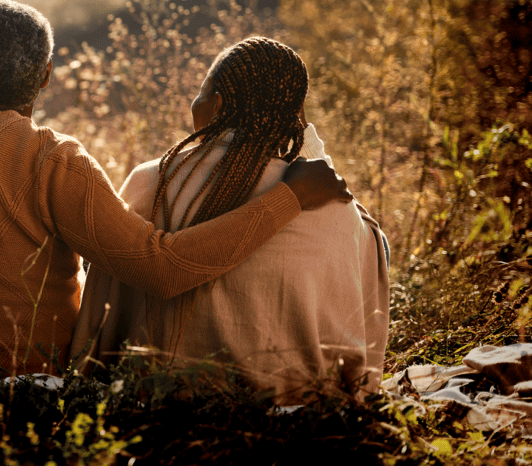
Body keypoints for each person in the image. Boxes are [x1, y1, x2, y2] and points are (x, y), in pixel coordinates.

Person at [0, 1, 351, 377]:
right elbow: (163, 269)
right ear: (45, 77)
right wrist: (291, 198)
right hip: (23, 373)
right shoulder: (53, 157)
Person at [68, 36, 389, 402]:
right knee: (371, 238)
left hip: (162, 393)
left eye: (202, 92)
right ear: (296, 117)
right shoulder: (329, 203)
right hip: (294, 400)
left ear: (216, 102)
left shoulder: (153, 181)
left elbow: (109, 283)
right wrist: (309, 146)